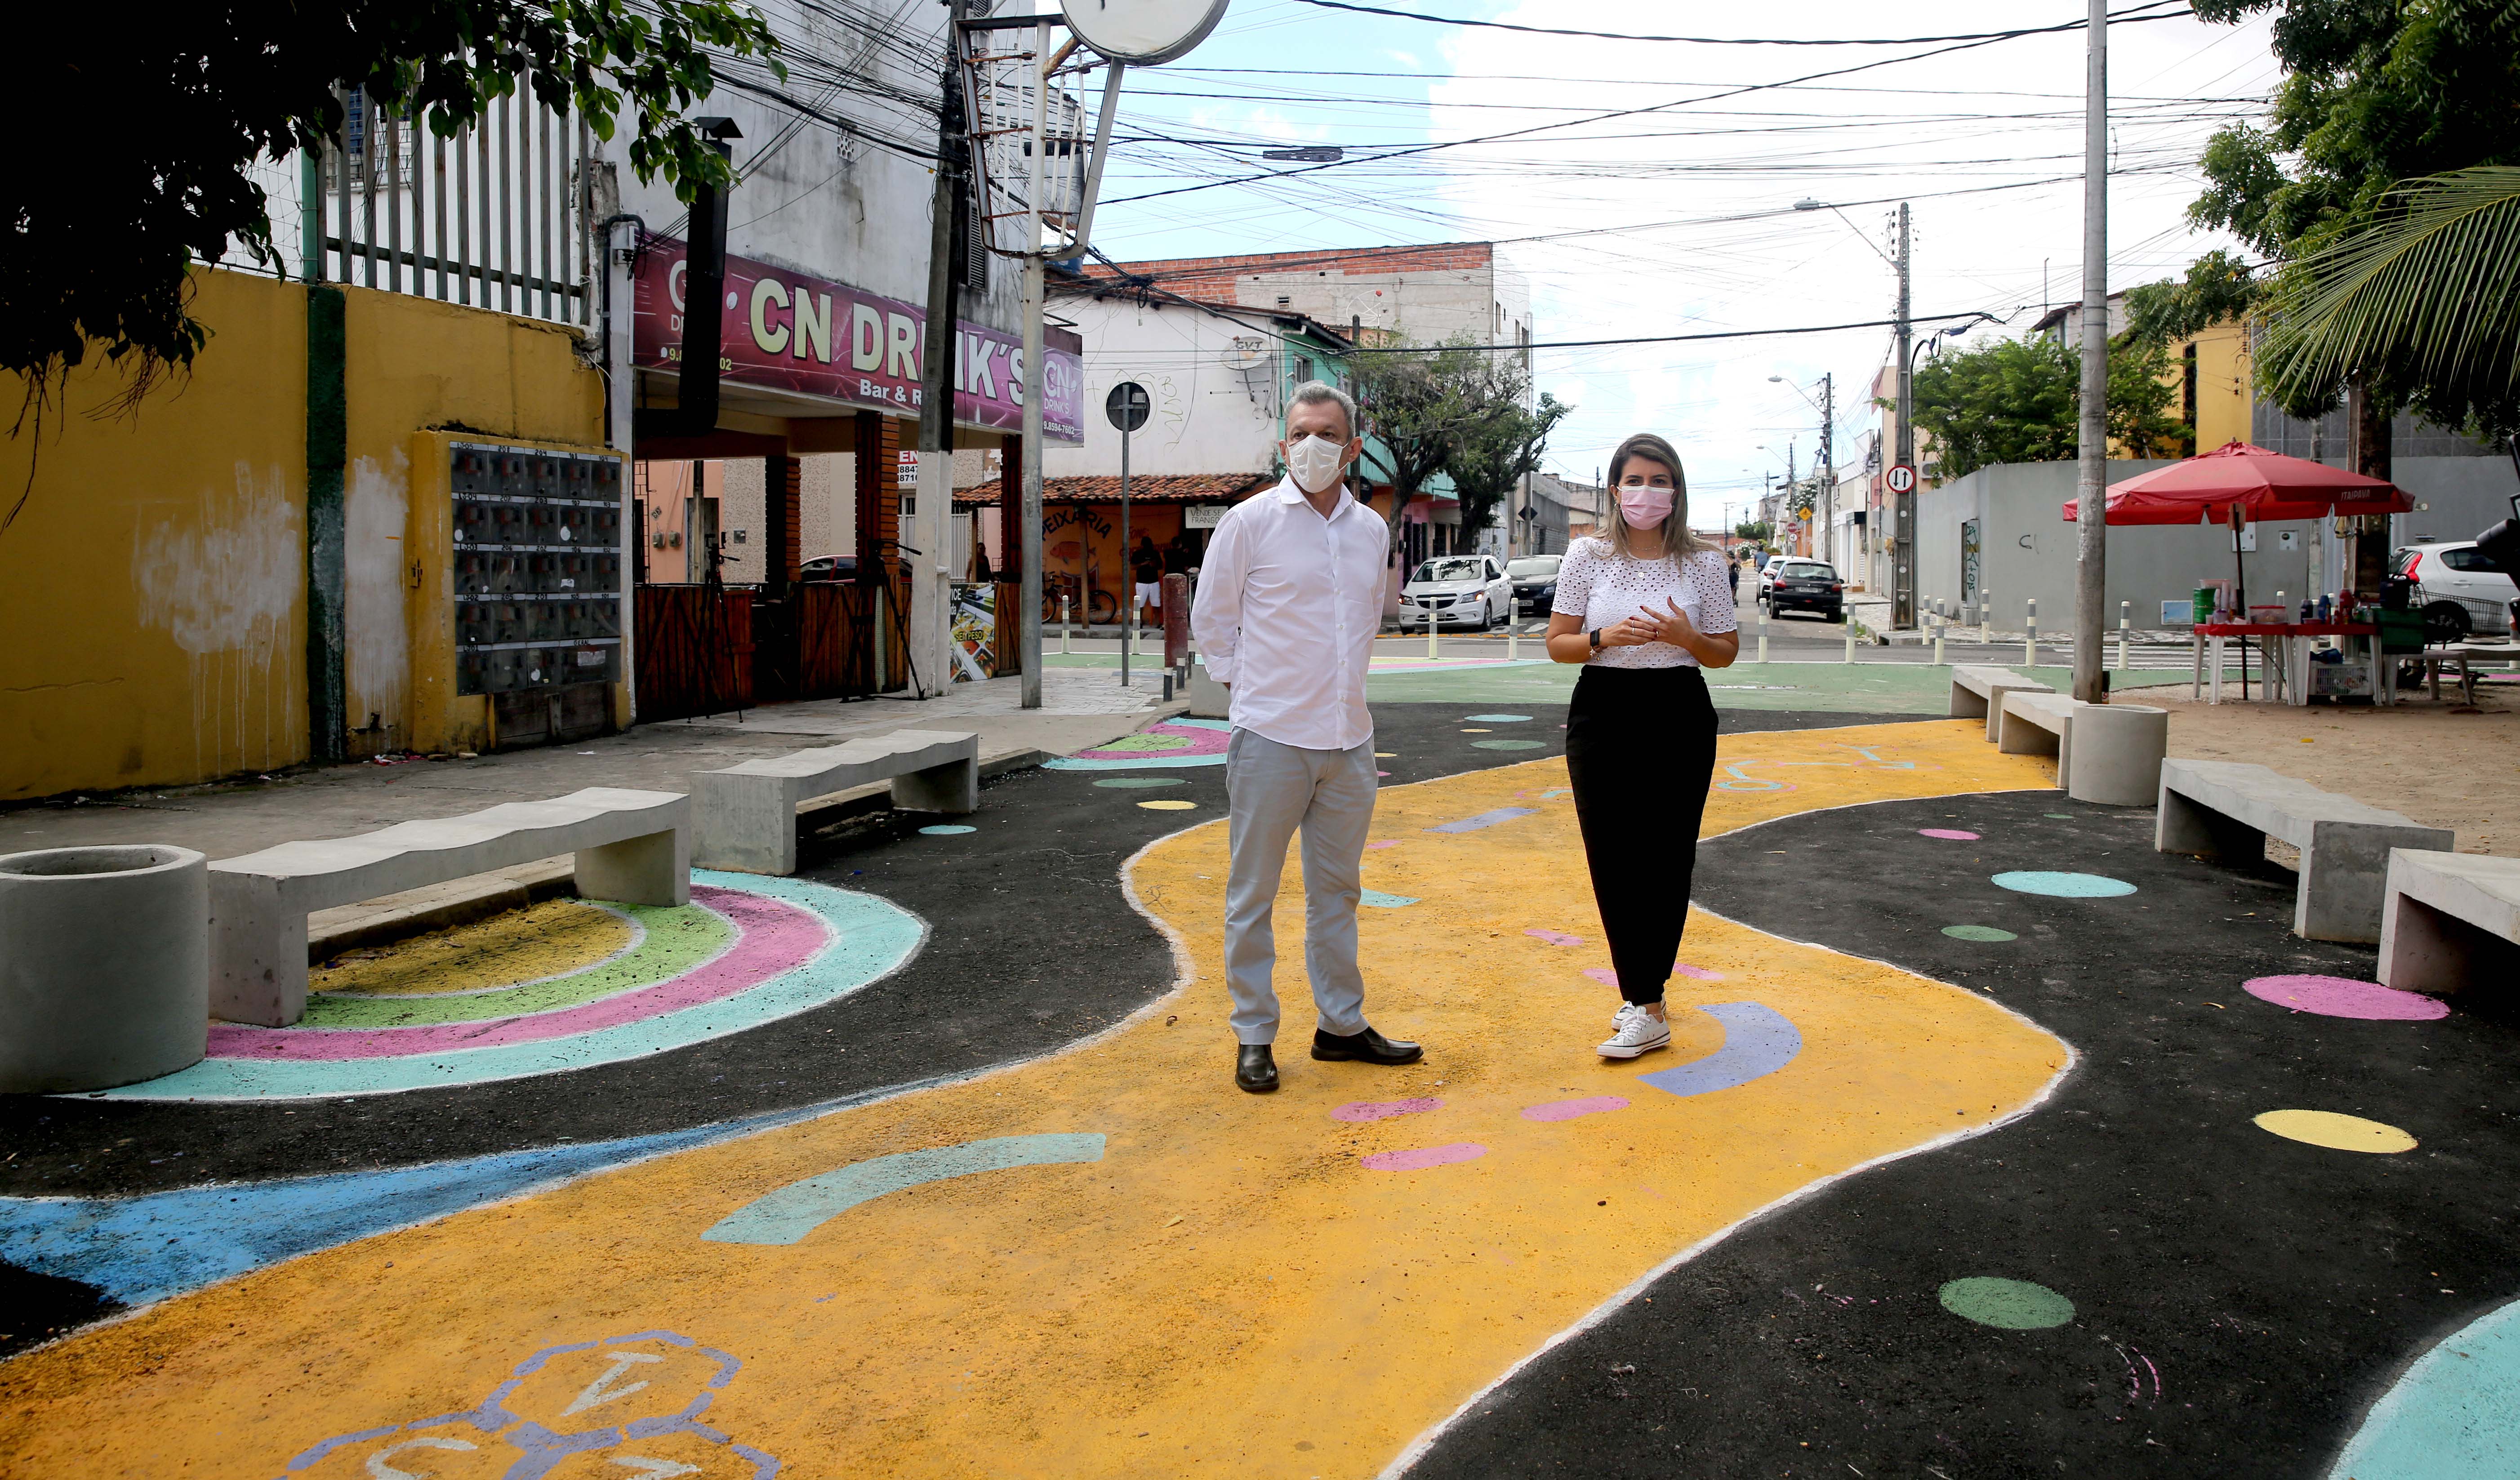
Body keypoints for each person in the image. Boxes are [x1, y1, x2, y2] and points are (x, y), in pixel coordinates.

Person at [1191, 381, 1423, 1093]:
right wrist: (1250, 688)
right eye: (1299, 434)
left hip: (1349, 740)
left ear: (1352, 449)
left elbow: (1365, 620)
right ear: (1283, 443)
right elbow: (1212, 621)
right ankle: (1254, 1034)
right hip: (1270, 738)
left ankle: (1340, 1025)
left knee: (1337, 893)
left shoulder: (1371, 531)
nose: (1310, 446)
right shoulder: (1249, 522)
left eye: (1326, 434)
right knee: (1252, 895)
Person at [1544, 432, 1740, 1059]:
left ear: (1676, 491)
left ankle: (1646, 1002)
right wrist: (1603, 637)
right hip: (1602, 709)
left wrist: (1686, 637)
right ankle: (1642, 997)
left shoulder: (1704, 563)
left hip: (1677, 711)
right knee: (1612, 856)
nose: (1646, 492)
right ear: (1614, 489)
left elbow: (1724, 652)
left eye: (1659, 481)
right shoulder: (1587, 555)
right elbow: (1557, 643)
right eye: (1634, 480)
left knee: (1665, 856)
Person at [1131, 535, 1163, 631]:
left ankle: (1158, 622)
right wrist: (1143, 564)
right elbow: (1132, 567)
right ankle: (1139, 622)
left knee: (1156, 603)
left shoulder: (1155, 553)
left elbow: (1161, 566)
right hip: (1142, 582)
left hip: (1154, 582)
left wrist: (1154, 565)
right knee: (1140, 604)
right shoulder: (1138, 554)